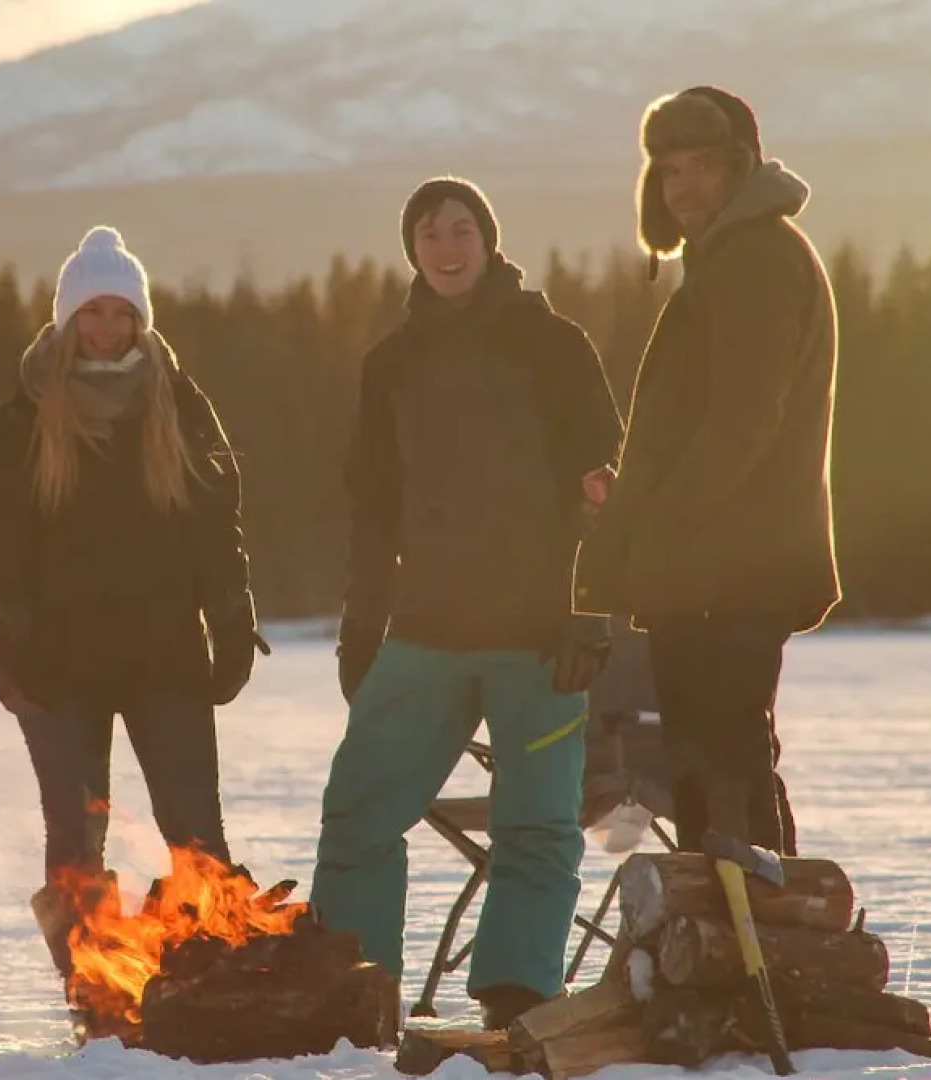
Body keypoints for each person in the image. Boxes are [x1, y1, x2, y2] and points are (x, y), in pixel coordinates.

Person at [311, 178, 623, 1031]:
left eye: (460, 230)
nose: (445, 247)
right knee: (358, 813)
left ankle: (515, 999)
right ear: (410, 248)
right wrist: (359, 629)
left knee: (536, 826)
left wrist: (590, 615)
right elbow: (372, 511)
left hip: (538, 636)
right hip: (425, 632)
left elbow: (603, 493)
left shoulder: (551, 345)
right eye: (428, 232)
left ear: (487, 241)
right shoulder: (392, 364)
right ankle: (352, 992)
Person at [0, 225, 268, 976]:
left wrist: (232, 617)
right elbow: (1, 540)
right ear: (65, 320)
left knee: (196, 835)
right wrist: (6, 634)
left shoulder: (176, 401)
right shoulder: (25, 413)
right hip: (57, 662)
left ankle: (212, 980)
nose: (105, 329)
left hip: (162, 654)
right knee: (75, 843)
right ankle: (95, 994)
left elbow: (214, 522)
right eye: (91, 313)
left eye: (120, 313)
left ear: (141, 321)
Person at [575, 87, 840, 859]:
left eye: (702, 167)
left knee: (722, 773)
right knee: (717, 767)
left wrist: (661, 525)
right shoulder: (725, 263)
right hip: (709, 567)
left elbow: (740, 423)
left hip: (732, 566)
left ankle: (757, 950)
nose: (683, 187)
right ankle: (734, 941)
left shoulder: (756, 261)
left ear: (740, 169)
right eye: (668, 171)